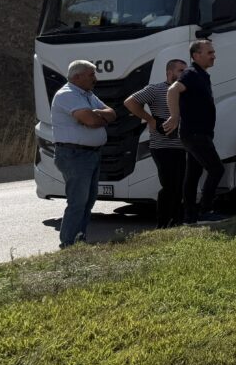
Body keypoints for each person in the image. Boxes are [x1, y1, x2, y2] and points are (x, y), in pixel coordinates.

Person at [50, 60, 116, 247]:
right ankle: (68, 244)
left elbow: (112, 113)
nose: (95, 79)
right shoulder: (67, 95)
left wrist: (97, 116)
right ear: (77, 76)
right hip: (74, 155)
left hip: (90, 154)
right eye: (91, 75)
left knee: (88, 201)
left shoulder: (87, 94)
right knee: (78, 201)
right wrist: (96, 117)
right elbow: (91, 121)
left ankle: (79, 239)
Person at [164, 40, 225, 225]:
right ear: (196, 55)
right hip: (195, 134)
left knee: (193, 175)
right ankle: (206, 211)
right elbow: (173, 89)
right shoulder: (191, 73)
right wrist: (174, 116)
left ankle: (190, 217)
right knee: (216, 169)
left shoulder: (202, 75)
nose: (213, 55)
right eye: (209, 52)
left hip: (199, 133)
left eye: (213, 52)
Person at [124, 59, 187, 228]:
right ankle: (163, 224)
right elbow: (130, 102)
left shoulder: (184, 90)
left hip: (182, 146)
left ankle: (177, 221)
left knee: (179, 184)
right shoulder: (156, 89)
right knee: (169, 184)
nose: (184, 73)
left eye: (185, 70)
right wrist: (150, 120)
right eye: (180, 70)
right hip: (162, 145)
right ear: (169, 72)